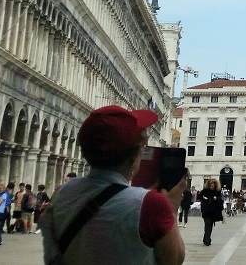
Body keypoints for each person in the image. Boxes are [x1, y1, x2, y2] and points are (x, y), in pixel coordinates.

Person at [39, 105, 186, 265]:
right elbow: (174, 260)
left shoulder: (61, 193)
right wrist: (170, 209)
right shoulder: (151, 204)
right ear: (134, 156)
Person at [198, 179, 224, 246]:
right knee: (207, 224)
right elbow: (199, 196)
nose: (212, 185)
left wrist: (216, 199)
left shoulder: (217, 192)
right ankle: (207, 239)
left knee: (210, 225)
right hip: (206, 211)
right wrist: (203, 198)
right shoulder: (205, 191)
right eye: (211, 184)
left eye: (213, 184)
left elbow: (221, 201)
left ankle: (206, 238)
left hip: (213, 211)